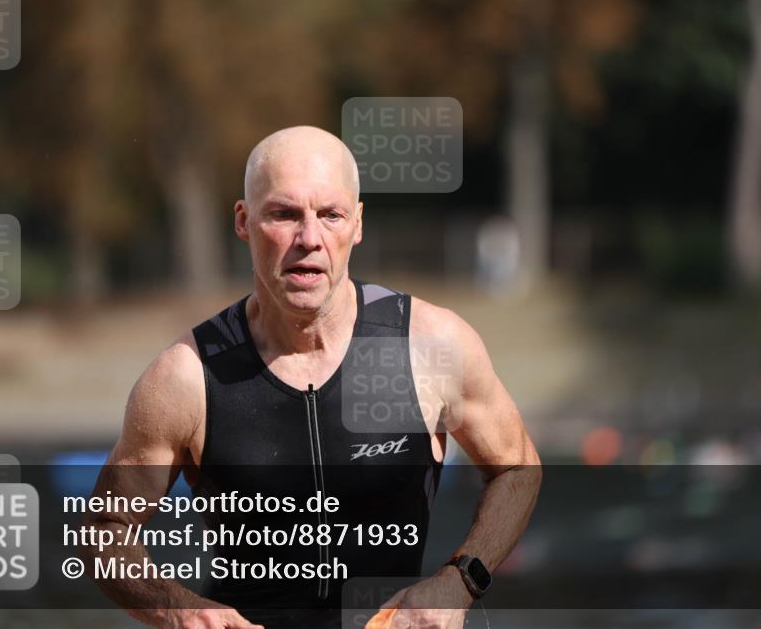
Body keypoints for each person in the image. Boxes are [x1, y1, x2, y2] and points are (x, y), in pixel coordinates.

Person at [84, 126, 541, 629]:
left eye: (330, 215)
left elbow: (517, 469)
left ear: (357, 224)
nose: (309, 239)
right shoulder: (187, 376)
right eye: (284, 214)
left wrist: (460, 581)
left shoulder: (429, 347)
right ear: (244, 221)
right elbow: (105, 528)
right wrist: (180, 610)